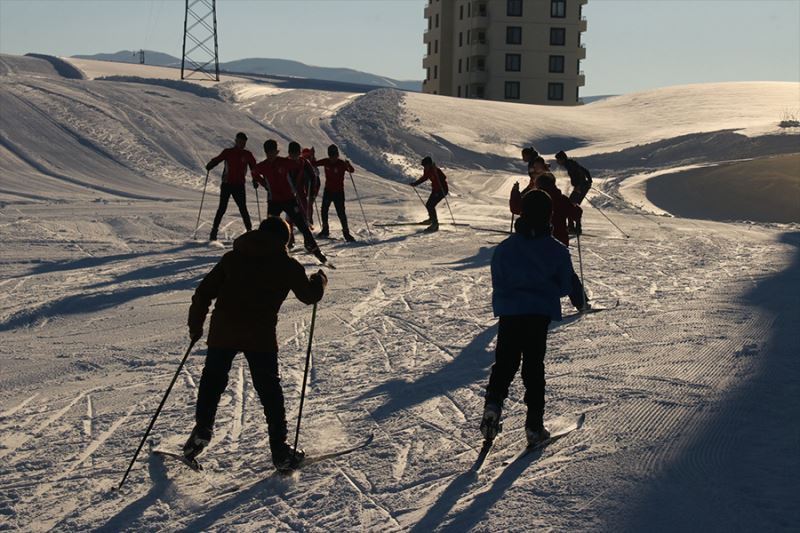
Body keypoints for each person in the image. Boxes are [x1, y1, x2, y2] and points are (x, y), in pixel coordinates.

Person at [185, 216, 327, 472]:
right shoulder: (287, 265)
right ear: (284, 240)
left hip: (223, 329)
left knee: (212, 380)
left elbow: (203, 292)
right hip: (259, 334)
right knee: (269, 391)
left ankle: (203, 429)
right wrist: (319, 281)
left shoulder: (232, 258)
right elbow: (309, 296)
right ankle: (280, 451)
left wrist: (196, 326)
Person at [481, 189, 576, 447]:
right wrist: (546, 291)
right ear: (549, 215)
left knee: (505, 363)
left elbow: (498, 280)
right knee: (533, 367)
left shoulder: (505, 249)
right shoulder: (556, 250)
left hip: (510, 314)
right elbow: (566, 286)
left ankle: (493, 404)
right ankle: (534, 425)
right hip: (538, 314)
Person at [252, 140, 328, 264]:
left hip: (289, 200)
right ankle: (266, 253)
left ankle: (317, 252)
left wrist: (307, 162)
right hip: (274, 202)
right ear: (266, 152)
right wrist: (262, 183)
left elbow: (300, 164)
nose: (272, 155)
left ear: (277, 152)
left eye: (274, 152)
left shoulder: (284, 162)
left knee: (303, 226)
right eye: (270, 152)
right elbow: (254, 172)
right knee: (269, 229)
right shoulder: (263, 166)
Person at [205, 132, 257, 241]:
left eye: (244, 142)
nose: (242, 144)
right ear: (236, 141)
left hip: (239, 185)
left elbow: (254, 168)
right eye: (240, 141)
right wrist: (211, 165)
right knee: (222, 208)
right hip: (227, 184)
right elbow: (218, 159)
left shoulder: (247, 154)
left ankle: (249, 231)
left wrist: (255, 179)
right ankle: (214, 232)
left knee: (243, 208)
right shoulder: (228, 152)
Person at [313, 144, 356, 241]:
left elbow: (352, 170)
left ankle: (346, 233)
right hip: (328, 191)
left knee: (341, 213)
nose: (333, 158)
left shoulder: (341, 163)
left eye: (335, 156)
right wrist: (311, 159)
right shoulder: (326, 161)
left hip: (339, 192)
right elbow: (314, 164)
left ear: (337, 155)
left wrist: (348, 165)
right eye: (331, 156)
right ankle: (325, 230)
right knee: (324, 210)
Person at [555, 150, 592, 233]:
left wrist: (579, 186)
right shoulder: (571, 163)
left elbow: (579, 174)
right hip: (582, 186)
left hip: (580, 186)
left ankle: (573, 227)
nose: (557, 162)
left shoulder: (570, 165)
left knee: (570, 205)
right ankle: (575, 227)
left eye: (558, 160)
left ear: (562, 159)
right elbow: (585, 170)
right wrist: (589, 181)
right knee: (572, 204)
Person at [410, 156, 449, 233]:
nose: (424, 167)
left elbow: (444, 177)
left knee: (431, 205)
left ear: (429, 164)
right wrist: (415, 183)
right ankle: (431, 219)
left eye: (425, 165)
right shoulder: (427, 170)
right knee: (428, 204)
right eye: (424, 166)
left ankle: (435, 224)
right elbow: (424, 178)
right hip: (435, 190)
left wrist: (438, 176)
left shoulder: (435, 170)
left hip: (442, 190)